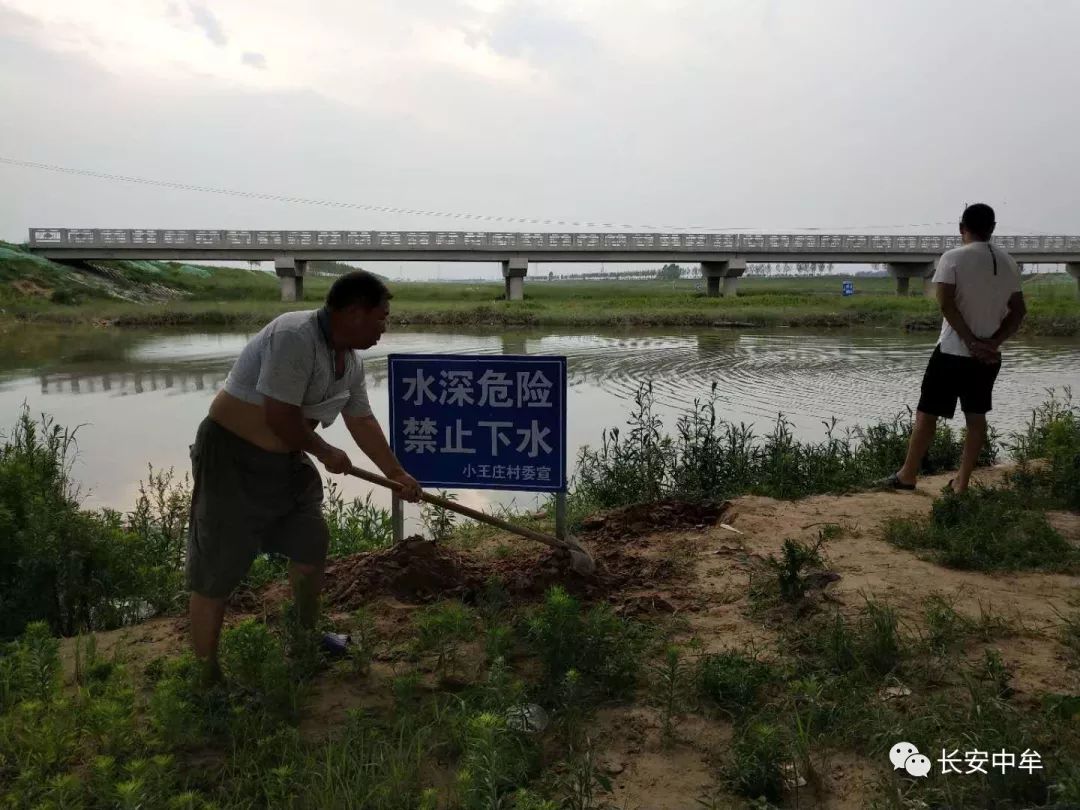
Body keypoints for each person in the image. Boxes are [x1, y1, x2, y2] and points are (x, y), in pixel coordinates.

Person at [186, 270, 421, 683]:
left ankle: (305, 636)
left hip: (288, 459)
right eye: (381, 317)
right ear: (352, 312)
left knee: (311, 544)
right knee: (217, 568)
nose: (385, 327)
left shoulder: (349, 363)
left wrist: (397, 474)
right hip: (233, 460)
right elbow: (279, 415)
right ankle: (205, 675)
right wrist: (326, 451)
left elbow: (361, 420)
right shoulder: (294, 335)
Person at [882, 203, 1026, 494]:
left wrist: (970, 342)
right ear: (992, 228)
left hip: (951, 353)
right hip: (988, 358)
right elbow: (1018, 311)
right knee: (976, 417)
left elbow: (946, 303)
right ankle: (961, 482)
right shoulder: (1009, 262)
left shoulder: (953, 258)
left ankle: (908, 476)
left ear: (962, 228)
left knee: (926, 415)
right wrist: (992, 343)